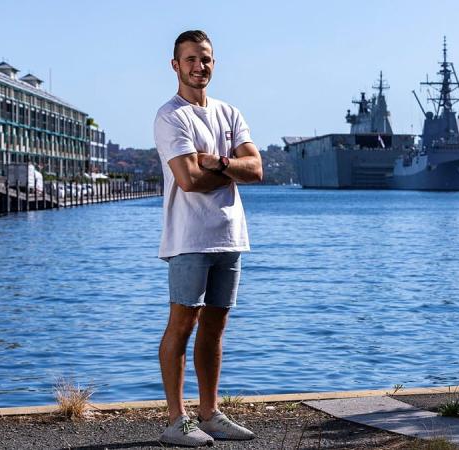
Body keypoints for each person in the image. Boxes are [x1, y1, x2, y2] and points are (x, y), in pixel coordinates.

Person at [153, 29, 263, 447]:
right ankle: (176, 420)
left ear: (213, 63)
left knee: (216, 327)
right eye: (191, 60)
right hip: (189, 237)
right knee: (183, 323)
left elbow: (256, 170)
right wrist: (230, 167)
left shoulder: (229, 112)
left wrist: (216, 160)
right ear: (175, 65)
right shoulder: (171, 116)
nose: (199, 67)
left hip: (229, 235)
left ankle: (209, 412)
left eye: (206, 59)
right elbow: (187, 179)